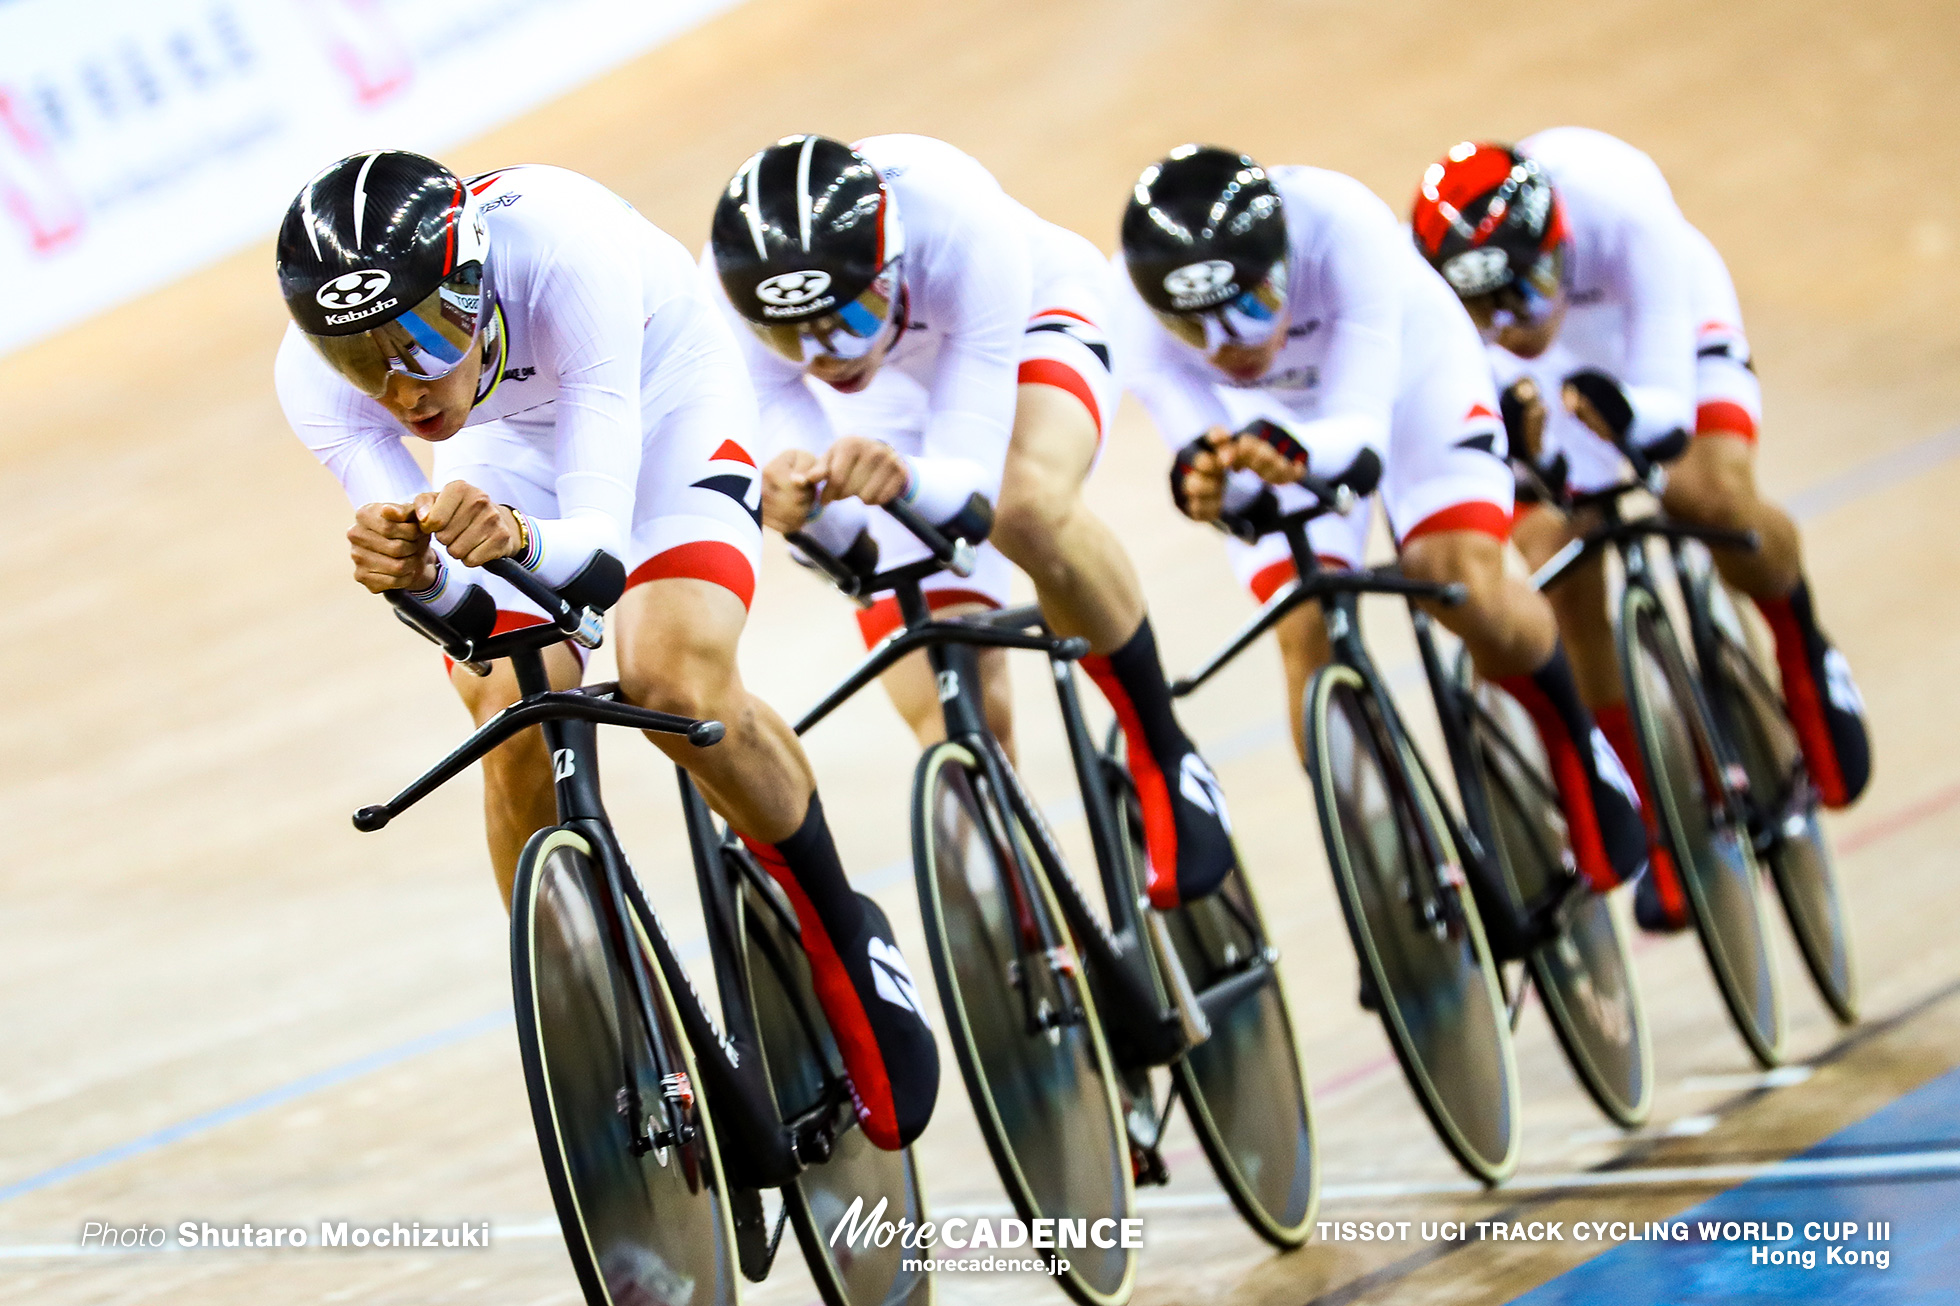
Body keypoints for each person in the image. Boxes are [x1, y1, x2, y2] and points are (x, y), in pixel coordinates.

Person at [272, 150, 934, 1149]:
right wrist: (416, 574)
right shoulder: (313, 383)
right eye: (362, 359)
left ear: (472, 285)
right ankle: (588, 1007)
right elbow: (467, 618)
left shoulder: (565, 253)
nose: (400, 389)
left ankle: (840, 928)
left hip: (659, 399)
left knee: (675, 676)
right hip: (501, 453)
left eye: (422, 337)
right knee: (508, 707)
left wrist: (521, 540)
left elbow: (595, 556)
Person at [708, 132, 1236, 910]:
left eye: (850, 317)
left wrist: (903, 480)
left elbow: (973, 494)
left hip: (1030, 323)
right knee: (950, 700)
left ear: (890, 268)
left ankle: (1165, 751)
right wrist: (800, 505)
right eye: (796, 339)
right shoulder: (728, 291)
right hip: (890, 400)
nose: (827, 356)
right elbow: (837, 535)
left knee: (1026, 505)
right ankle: (1027, 916)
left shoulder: (958, 223)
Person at [1116, 144, 1647, 908]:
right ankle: (1386, 877)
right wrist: (1209, 488)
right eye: (1199, 329)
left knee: (1455, 578)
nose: (1233, 343)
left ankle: (1577, 745)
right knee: (1302, 621)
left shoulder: (1344, 228)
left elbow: (1360, 443)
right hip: (1278, 426)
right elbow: (1211, 463)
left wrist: (1284, 455)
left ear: (1284, 266)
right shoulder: (1130, 302)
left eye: (1256, 306)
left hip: (1405, 380)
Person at [1410, 129, 1872, 931]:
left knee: (1706, 495)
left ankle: (1802, 650)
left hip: (1655, 325)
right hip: (1548, 386)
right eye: (1488, 306)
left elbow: (1661, 404)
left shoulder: (1617, 204)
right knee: (1556, 565)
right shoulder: (1432, 300)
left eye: (1526, 291)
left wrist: (1630, 427)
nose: (1514, 320)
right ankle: (1650, 805)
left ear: (1560, 242)